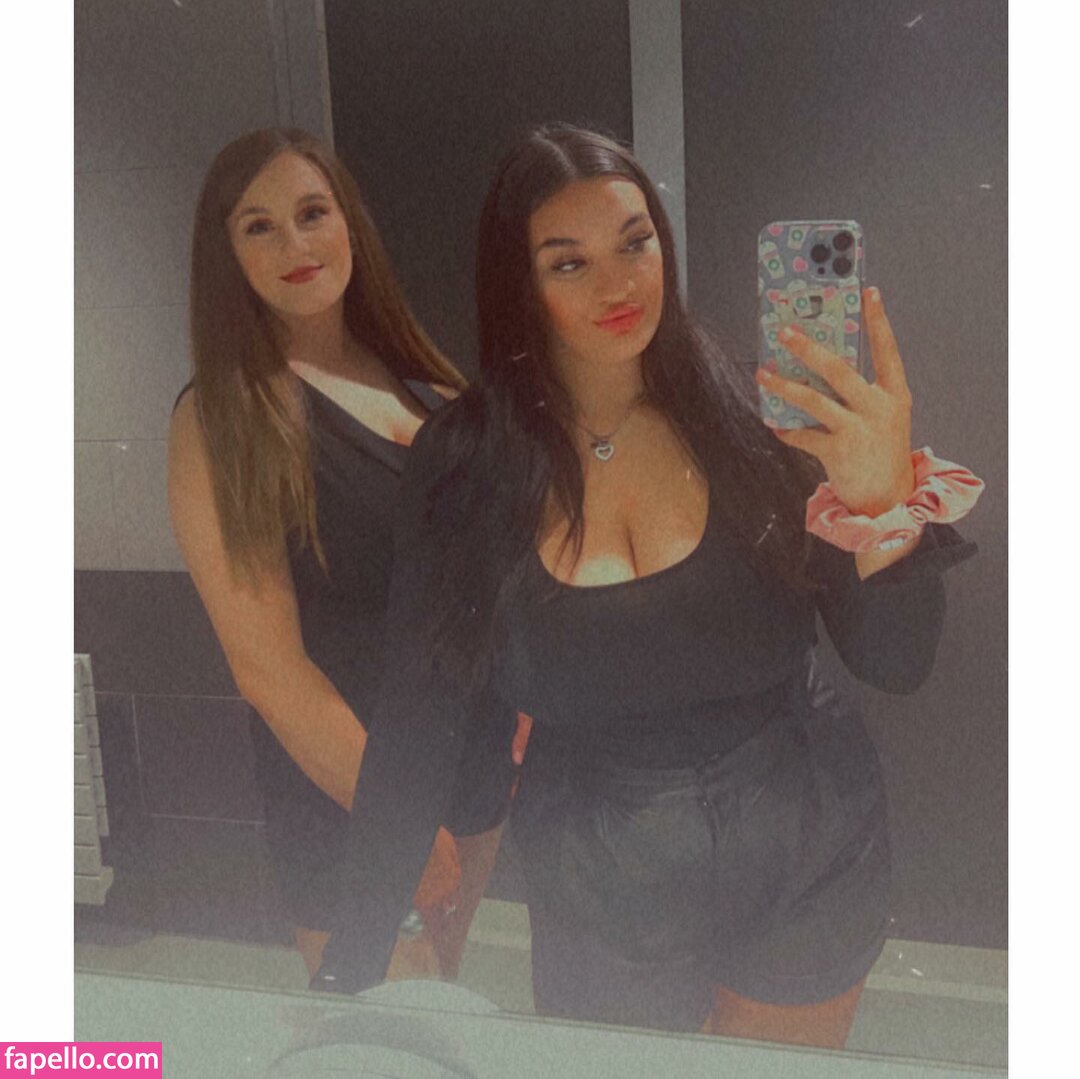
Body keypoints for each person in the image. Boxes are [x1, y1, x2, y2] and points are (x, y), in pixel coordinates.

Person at [313, 124, 981, 1046]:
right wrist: (354, 953)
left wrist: (880, 501)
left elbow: (898, 660)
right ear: (520, 284)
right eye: (569, 262)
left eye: (635, 243)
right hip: (599, 868)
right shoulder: (467, 464)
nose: (618, 284)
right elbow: (418, 716)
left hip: (802, 832)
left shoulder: (760, 419)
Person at [167, 128, 516, 983]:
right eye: (259, 226)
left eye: (312, 213)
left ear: (348, 222)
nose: (295, 244)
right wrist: (396, 817)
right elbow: (268, 668)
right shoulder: (224, 417)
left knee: (438, 1007)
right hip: (351, 791)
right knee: (379, 1029)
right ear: (227, 255)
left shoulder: (426, 387)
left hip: (468, 764)